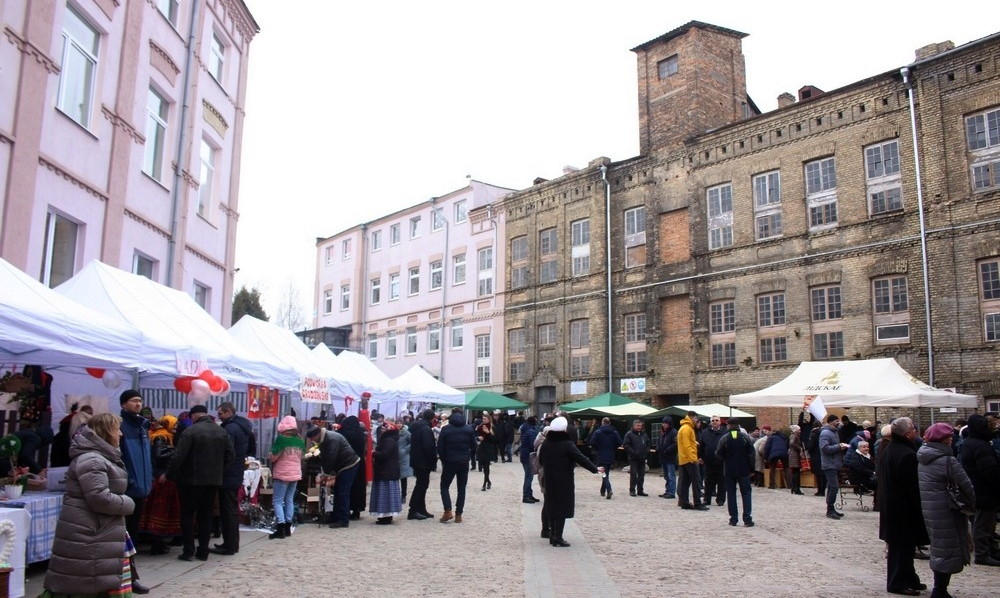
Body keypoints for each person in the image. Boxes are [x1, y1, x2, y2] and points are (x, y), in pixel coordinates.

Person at [42, 413, 137, 597]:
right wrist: (128, 503)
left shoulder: (99, 457)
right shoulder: (93, 460)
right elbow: (100, 498)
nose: (120, 434)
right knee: (86, 586)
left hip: (97, 529)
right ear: (107, 431)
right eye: (117, 429)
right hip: (91, 531)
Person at [165, 404, 233, 562]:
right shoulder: (221, 431)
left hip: (190, 480)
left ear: (194, 416)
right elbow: (230, 456)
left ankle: (188, 551)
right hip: (212, 481)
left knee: (187, 514)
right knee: (206, 515)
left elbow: (178, 456)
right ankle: (203, 551)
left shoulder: (190, 431)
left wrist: (170, 475)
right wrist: (219, 472)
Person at [918, 422, 976, 598]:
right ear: (943, 439)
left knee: (940, 547)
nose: (951, 439)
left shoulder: (923, 457)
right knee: (948, 548)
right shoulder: (947, 461)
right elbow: (966, 486)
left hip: (931, 508)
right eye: (949, 437)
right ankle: (940, 590)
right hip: (948, 510)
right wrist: (971, 505)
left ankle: (940, 588)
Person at [878, 417, 929, 596]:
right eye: (914, 429)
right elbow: (912, 486)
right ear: (907, 434)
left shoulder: (892, 449)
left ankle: (909, 577)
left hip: (893, 504)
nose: (916, 432)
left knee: (906, 547)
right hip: (902, 507)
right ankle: (897, 582)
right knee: (901, 548)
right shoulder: (906, 454)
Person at [537, 417, 603, 547]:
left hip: (549, 479)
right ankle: (557, 536)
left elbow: (540, 460)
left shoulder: (546, 443)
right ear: (564, 429)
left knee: (551, 506)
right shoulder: (567, 444)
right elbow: (581, 458)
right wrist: (595, 469)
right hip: (563, 480)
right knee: (561, 508)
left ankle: (552, 535)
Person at [117, 389, 151, 594]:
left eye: (139, 400)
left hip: (141, 488)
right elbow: (118, 458)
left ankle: (131, 577)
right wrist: (128, 480)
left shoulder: (142, 427)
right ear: (123, 404)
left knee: (133, 536)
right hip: (128, 489)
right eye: (133, 401)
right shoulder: (120, 427)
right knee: (126, 535)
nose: (138, 404)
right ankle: (129, 577)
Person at [959, 414, 1000, 566]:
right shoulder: (981, 446)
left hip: (976, 489)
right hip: (984, 491)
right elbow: (989, 471)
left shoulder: (970, 443)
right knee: (983, 524)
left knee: (982, 523)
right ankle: (982, 554)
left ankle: (989, 550)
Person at [214, 401, 254, 555]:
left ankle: (229, 545)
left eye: (220, 413)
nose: (219, 416)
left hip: (229, 474)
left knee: (228, 510)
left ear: (228, 412)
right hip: (235, 472)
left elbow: (227, 452)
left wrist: (222, 469)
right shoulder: (242, 426)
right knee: (230, 509)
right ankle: (231, 543)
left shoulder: (230, 428)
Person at [306, 423, 360, 528]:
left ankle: (343, 519)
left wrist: (326, 474)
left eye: (312, 438)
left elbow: (331, 457)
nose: (312, 440)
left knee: (342, 492)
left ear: (317, 434)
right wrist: (325, 472)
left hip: (349, 464)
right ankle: (335, 517)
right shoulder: (324, 439)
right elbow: (325, 457)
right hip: (342, 465)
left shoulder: (331, 438)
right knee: (338, 491)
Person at [140, 415, 179, 555]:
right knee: (160, 510)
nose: (176, 427)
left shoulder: (163, 435)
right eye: (174, 424)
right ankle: (157, 544)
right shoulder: (161, 437)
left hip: (160, 476)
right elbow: (159, 455)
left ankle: (158, 543)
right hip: (161, 478)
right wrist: (176, 450)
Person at [268, 415, 304, 539]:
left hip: (282, 474)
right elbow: (301, 457)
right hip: (295, 473)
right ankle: (288, 527)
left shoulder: (282, 439)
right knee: (289, 500)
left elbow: (274, 457)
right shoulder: (300, 440)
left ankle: (280, 528)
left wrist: (270, 455)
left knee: (277, 501)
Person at [437, 409, 476, 523]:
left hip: (449, 461)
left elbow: (440, 447)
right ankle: (459, 514)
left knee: (444, 486)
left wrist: (443, 459)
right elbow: (474, 446)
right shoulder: (468, 429)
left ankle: (448, 510)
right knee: (461, 488)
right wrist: (468, 456)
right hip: (464, 461)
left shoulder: (446, 429)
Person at [715, 417, 755, 527]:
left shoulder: (725, 438)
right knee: (746, 493)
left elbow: (718, 453)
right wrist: (751, 468)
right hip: (744, 469)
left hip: (729, 469)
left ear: (729, 425)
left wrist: (726, 459)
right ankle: (747, 518)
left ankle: (733, 519)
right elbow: (752, 454)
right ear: (738, 425)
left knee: (731, 494)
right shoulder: (745, 437)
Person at [407, 409, 438, 520]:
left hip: (417, 459)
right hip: (423, 461)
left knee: (422, 485)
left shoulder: (417, 427)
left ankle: (421, 509)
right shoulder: (425, 429)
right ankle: (413, 510)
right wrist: (433, 459)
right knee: (421, 486)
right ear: (432, 418)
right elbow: (428, 447)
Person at [370, 421, 402, 524]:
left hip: (386, 471)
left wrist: (374, 453)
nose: (382, 429)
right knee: (388, 495)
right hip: (389, 471)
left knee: (384, 494)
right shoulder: (391, 439)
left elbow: (384, 454)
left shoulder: (388, 440)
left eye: (384, 428)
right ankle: (387, 516)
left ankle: (385, 516)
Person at [338, 415, 369, 520]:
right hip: (361, 463)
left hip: (350, 463)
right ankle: (357, 509)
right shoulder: (360, 434)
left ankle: (348, 509)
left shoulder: (348, 434)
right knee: (359, 487)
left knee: (350, 487)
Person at [819, 414, 849, 519]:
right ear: (831, 422)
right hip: (829, 464)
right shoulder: (825, 433)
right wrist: (839, 447)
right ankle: (830, 510)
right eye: (836, 421)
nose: (838, 423)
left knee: (832, 487)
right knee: (834, 487)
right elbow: (825, 448)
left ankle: (831, 508)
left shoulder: (834, 432)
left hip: (834, 463)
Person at [677, 411, 707, 510]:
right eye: (695, 418)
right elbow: (687, 445)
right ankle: (697, 503)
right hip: (689, 460)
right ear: (691, 417)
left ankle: (684, 502)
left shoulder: (685, 428)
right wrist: (693, 459)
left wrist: (694, 443)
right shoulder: (687, 428)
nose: (696, 420)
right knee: (696, 481)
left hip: (684, 459)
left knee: (685, 482)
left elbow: (688, 443)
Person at [588, 417, 622, 500]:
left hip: (601, 454)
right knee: (606, 472)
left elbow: (592, 442)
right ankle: (602, 490)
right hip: (610, 454)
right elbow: (619, 442)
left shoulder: (598, 432)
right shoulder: (614, 432)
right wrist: (613, 448)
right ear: (609, 423)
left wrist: (597, 448)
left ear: (602, 423)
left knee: (603, 473)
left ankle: (609, 489)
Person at [699, 416, 726, 505]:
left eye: (716, 420)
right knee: (708, 482)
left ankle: (720, 499)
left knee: (722, 482)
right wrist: (700, 457)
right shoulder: (705, 433)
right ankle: (707, 499)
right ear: (710, 422)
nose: (714, 422)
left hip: (721, 462)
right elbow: (701, 446)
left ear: (720, 422)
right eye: (713, 420)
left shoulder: (725, 432)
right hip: (709, 461)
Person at [622, 419, 649, 497]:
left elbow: (648, 443)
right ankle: (632, 490)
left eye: (640, 426)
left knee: (641, 475)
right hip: (633, 458)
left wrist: (646, 451)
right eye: (638, 426)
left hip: (642, 458)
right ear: (634, 426)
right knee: (633, 475)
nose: (639, 427)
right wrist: (633, 452)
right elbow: (626, 445)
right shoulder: (629, 434)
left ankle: (640, 490)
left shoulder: (644, 434)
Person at [519, 416, 540, 503]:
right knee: (529, 477)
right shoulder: (531, 431)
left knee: (528, 476)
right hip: (528, 456)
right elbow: (533, 444)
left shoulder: (525, 429)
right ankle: (526, 496)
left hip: (524, 455)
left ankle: (529, 494)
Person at [475, 412, 499, 491]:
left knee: (486, 466)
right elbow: (476, 436)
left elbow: (495, 440)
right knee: (483, 466)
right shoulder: (480, 427)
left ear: (489, 419)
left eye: (485, 419)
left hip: (489, 449)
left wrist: (488, 433)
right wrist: (478, 438)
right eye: (483, 419)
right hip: (482, 448)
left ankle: (484, 484)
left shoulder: (492, 427)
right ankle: (488, 481)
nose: (483, 420)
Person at [656, 417, 677, 499]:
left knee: (671, 476)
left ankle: (671, 492)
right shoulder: (662, 432)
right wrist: (658, 448)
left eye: (666, 423)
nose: (664, 424)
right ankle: (667, 491)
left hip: (670, 457)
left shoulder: (674, 432)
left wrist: (667, 449)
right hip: (663, 457)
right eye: (663, 423)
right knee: (666, 476)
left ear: (669, 424)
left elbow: (675, 443)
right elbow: (659, 441)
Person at [787, 424, 806, 495]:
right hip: (794, 456)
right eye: (799, 430)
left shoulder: (793, 436)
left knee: (795, 472)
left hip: (793, 456)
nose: (800, 431)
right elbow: (792, 443)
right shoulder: (794, 436)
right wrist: (800, 448)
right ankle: (796, 488)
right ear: (795, 430)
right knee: (796, 473)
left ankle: (794, 488)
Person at [397, 418, 412, 503]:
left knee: (403, 478)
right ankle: (395, 494)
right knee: (394, 477)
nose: (398, 424)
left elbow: (412, 442)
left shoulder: (406, 433)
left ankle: (403, 495)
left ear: (402, 424)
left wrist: (405, 450)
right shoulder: (393, 432)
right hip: (394, 457)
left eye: (400, 423)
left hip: (404, 457)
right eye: (397, 423)